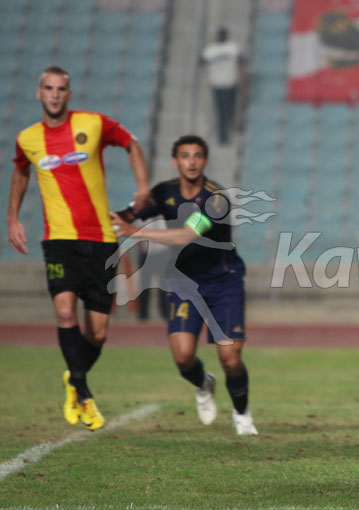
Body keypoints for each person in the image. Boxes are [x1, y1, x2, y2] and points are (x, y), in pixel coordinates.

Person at [6, 65, 150, 431]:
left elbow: (131, 143)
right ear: (39, 93)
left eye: (61, 89)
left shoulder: (93, 124)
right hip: (59, 241)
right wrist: (13, 218)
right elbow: (21, 171)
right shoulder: (28, 139)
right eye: (48, 88)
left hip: (102, 239)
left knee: (98, 333)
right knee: (65, 312)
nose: (54, 94)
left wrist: (143, 188)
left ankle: (73, 378)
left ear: (69, 94)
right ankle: (84, 394)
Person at [110, 135, 257, 436]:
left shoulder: (216, 199)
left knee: (230, 358)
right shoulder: (163, 192)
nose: (191, 161)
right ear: (175, 161)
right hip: (183, 281)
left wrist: (133, 231)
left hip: (223, 282)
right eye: (185, 156)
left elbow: (186, 236)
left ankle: (242, 414)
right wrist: (114, 216)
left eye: (197, 156)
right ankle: (204, 384)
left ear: (205, 160)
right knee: (182, 356)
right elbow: (123, 217)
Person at [201, 27, 244, 145]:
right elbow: (202, 61)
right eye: (220, 35)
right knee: (220, 112)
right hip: (217, 84)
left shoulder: (233, 48)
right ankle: (223, 137)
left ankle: (231, 125)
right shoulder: (210, 50)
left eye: (223, 35)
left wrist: (244, 81)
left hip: (231, 83)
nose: (222, 37)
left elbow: (240, 63)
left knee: (230, 110)